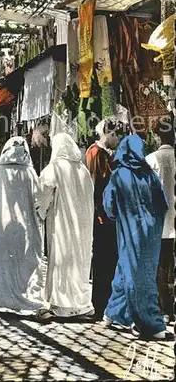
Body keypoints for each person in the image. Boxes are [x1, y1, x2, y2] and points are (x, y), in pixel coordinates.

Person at [103, 135, 168, 340]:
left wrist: (121, 216)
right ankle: (114, 312)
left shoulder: (119, 175)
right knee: (133, 269)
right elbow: (162, 204)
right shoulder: (150, 175)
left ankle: (149, 323)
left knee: (135, 274)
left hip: (130, 231)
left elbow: (109, 206)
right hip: (152, 233)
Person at [0, 137, 44, 315]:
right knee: (24, 262)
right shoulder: (29, 172)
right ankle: (25, 299)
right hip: (25, 227)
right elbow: (38, 198)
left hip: (1, 227)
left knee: (0, 262)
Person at [37, 133, 94, 320]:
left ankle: (61, 305)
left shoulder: (54, 168)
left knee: (62, 260)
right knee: (78, 262)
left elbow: (43, 191)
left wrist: (41, 213)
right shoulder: (83, 170)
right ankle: (80, 304)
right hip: (83, 227)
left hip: (62, 224)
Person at [86, 119, 121, 320]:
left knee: (107, 261)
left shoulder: (103, 154)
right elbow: (97, 186)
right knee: (102, 261)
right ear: (108, 134)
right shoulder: (96, 153)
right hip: (101, 216)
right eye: (115, 135)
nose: (117, 139)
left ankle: (105, 303)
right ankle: (100, 305)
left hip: (105, 216)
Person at [146, 121, 175, 325]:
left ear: (157, 137)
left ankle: (166, 309)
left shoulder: (151, 159)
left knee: (162, 267)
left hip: (160, 223)